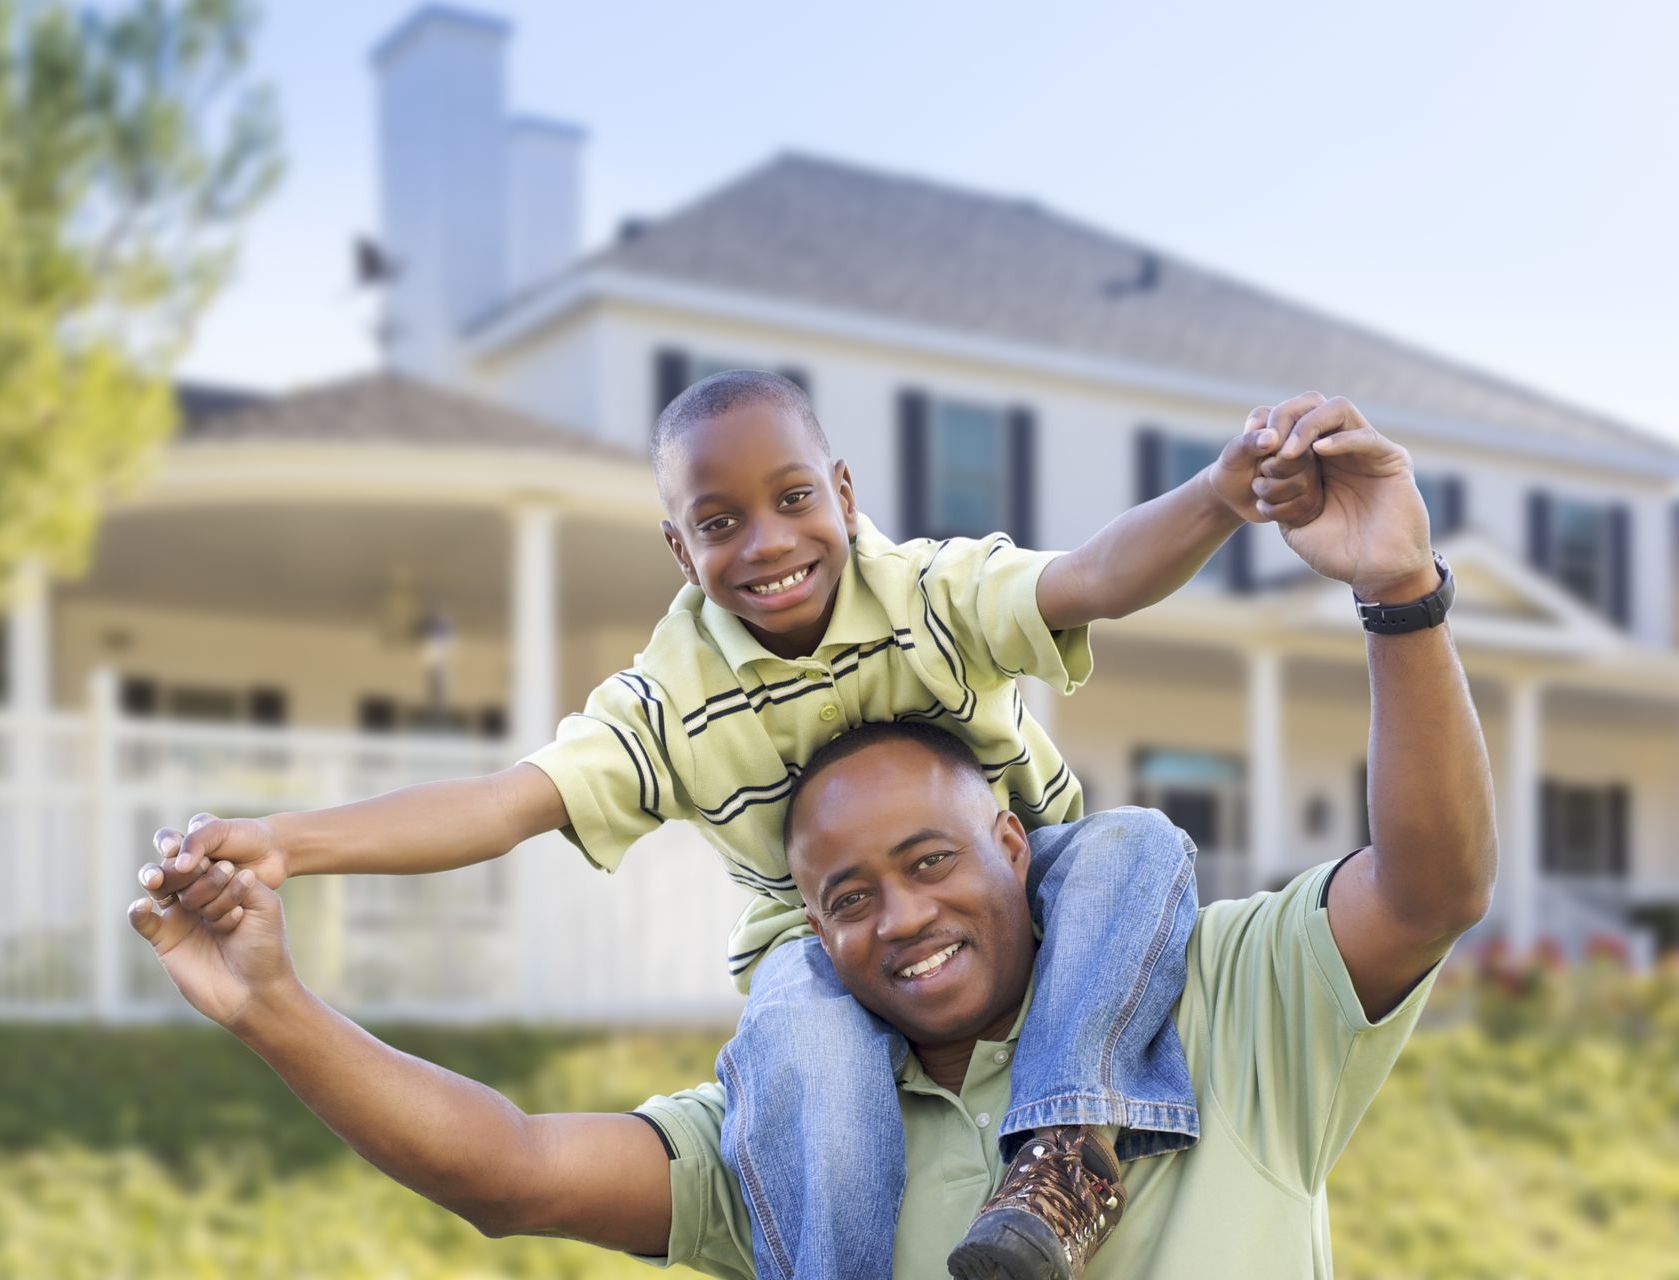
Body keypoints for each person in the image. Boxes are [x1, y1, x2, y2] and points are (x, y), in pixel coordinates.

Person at [131, 395, 1495, 1278]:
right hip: (801, 1003)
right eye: (850, 889)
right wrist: (279, 928)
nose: (898, 915)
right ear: (679, 549)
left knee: (1137, 839)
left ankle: (1068, 1145)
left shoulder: (1224, 1001)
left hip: (1089, 898)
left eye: (930, 864)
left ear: (843, 492)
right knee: (792, 1017)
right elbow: (509, 1149)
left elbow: (1428, 882)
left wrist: (1336, 559)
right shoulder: (800, 1099)